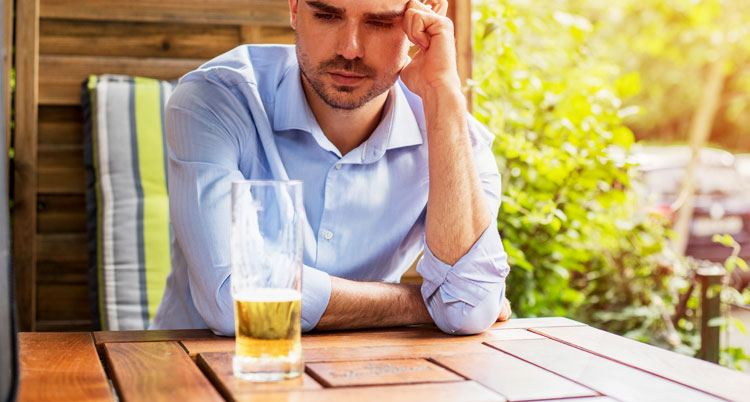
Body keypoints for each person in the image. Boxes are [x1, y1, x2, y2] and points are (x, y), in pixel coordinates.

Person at [151, 0, 512, 335]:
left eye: (380, 21)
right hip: (197, 373)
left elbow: (469, 308)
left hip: (366, 375)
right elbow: (234, 301)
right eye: (327, 15)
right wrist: (428, 303)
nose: (349, 48)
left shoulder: (454, 136)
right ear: (294, 8)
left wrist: (442, 89)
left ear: (426, 12)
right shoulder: (216, 99)